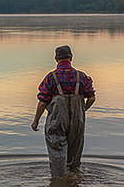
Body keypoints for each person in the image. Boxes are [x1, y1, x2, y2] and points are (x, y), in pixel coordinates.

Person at [31, 45, 96, 176]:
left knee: (57, 149)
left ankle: (59, 180)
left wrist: (36, 121)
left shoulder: (51, 77)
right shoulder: (81, 76)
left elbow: (43, 102)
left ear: (56, 59)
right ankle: (73, 179)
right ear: (71, 58)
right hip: (77, 120)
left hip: (57, 120)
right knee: (74, 152)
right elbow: (92, 98)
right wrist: (82, 110)